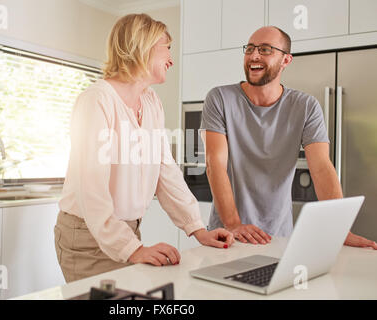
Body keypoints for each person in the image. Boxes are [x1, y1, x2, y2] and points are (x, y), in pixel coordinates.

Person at [55, 13, 234, 283]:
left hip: (125, 232)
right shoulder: (96, 100)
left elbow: (166, 170)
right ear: (144, 45)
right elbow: (91, 189)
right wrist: (134, 249)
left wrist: (198, 229)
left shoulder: (151, 102)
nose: (172, 59)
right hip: (87, 238)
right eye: (168, 47)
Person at [200, 26, 377, 249]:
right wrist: (234, 224)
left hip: (279, 237)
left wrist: (338, 228)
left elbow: (321, 167)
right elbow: (214, 163)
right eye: (250, 49)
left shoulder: (306, 106)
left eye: (265, 49)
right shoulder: (219, 99)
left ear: (286, 60)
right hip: (227, 235)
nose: (254, 55)